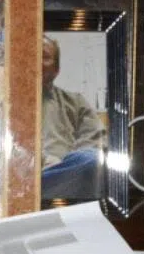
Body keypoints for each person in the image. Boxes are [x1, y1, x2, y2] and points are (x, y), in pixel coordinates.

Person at [40, 34, 105, 201]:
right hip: (17, 180)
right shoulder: (0, 100)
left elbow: (96, 144)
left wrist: (62, 165)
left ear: (56, 70)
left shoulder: (75, 102)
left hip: (59, 178)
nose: (36, 61)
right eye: (31, 53)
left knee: (93, 160)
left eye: (45, 57)